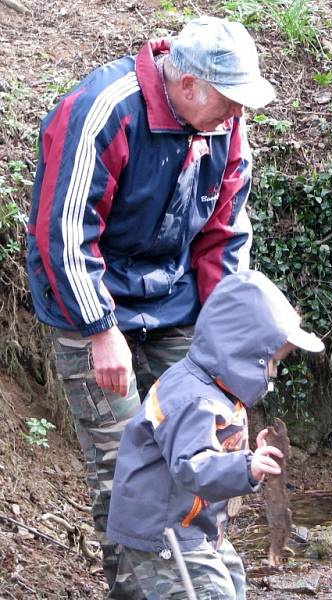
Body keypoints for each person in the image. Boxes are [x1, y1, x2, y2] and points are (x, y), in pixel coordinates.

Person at [25, 15, 275, 597]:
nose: (238, 117)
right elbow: (62, 232)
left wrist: (221, 343)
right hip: (91, 303)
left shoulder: (226, 132)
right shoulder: (102, 111)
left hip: (174, 304)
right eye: (231, 102)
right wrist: (99, 327)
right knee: (124, 470)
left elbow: (224, 240)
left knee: (203, 446)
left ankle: (200, 579)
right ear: (190, 86)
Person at [107, 269, 323, 598]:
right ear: (245, 353)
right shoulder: (193, 398)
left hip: (196, 527)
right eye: (273, 362)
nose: (275, 372)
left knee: (232, 580)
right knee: (213, 592)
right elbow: (192, 465)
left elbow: (214, 448)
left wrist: (252, 455)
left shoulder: (218, 388)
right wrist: (246, 466)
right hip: (165, 533)